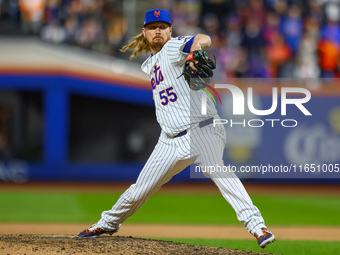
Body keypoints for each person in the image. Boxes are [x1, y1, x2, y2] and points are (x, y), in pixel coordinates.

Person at [78, 9, 275, 249]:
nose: (158, 30)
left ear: (171, 30)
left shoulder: (174, 47)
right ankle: (108, 222)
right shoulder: (149, 64)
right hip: (169, 140)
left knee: (218, 171)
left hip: (202, 129)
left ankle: (257, 226)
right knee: (140, 190)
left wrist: (194, 50)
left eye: (163, 26)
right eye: (153, 27)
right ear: (145, 32)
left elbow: (203, 38)